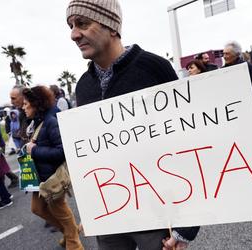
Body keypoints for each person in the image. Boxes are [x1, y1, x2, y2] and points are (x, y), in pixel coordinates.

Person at [66, 0, 199, 249]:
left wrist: (186, 227)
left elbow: (187, 144)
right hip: (110, 213)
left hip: (157, 212)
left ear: (112, 26)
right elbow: (91, 154)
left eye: (82, 23)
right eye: (71, 25)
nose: (74, 34)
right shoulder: (84, 85)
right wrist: (92, 207)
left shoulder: (154, 68)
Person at [22, 86, 84, 250]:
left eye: (26, 103)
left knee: (61, 211)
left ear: (36, 103)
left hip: (52, 178)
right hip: (40, 177)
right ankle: (70, 233)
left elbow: (62, 151)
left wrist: (34, 150)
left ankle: (74, 243)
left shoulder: (50, 121)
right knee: (37, 208)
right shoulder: (39, 120)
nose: (23, 106)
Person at [222, 41, 252, 115]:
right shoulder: (222, 71)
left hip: (248, 107)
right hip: (230, 110)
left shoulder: (247, 67)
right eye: (224, 53)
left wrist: (250, 100)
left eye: (227, 53)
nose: (224, 56)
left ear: (237, 54)